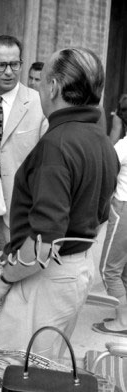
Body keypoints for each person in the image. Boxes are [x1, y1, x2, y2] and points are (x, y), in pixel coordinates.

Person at [0, 47, 120, 360]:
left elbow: (44, 243)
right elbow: (100, 218)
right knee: (42, 372)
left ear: (55, 87)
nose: (39, 90)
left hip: (46, 275)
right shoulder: (101, 141)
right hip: (74, 268)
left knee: (15, 372)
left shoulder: (57, 144)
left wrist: (3, 279)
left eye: (42, 83)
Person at [0, 35, 48, 249]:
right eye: (1, 65)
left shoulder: (39, 103)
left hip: (20, 209)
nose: (9, 72)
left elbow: (47, 161)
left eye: (15, 64)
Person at [92, 135, 127, 337]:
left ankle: (122, 322)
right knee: (123, 269)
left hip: (123, 207)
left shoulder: (122, 147)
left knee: (109, 269)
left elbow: (104, 176)